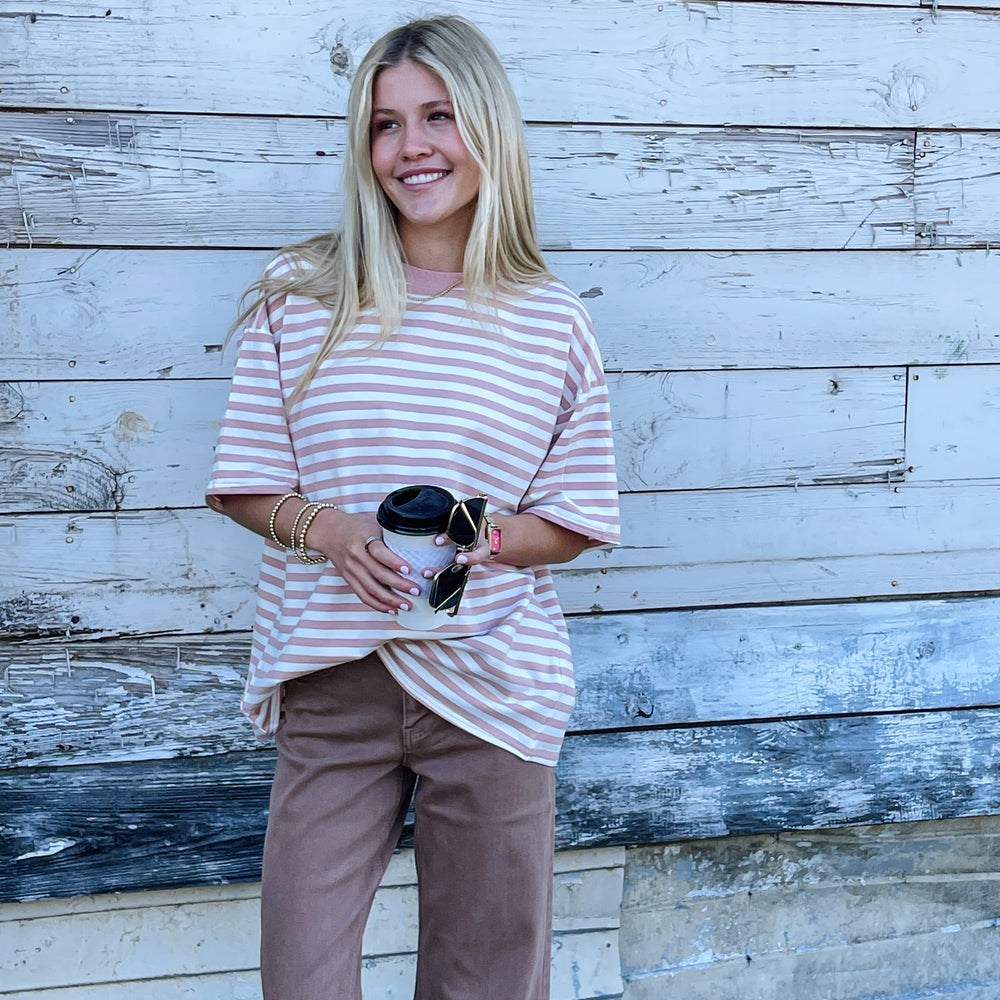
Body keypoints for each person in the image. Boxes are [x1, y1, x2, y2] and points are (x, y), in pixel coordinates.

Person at [205, 14, 620, 1000]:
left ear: (487, 128)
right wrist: (334, 530)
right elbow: (246, 482)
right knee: (300, 980)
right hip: (332, 680)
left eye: (438, 116)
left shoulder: (550, 320)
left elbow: (573, 513)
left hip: (492, 686)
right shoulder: (300, 295)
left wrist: (481, 533)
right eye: (386, 125)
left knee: (484, 982)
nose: (411, 147)